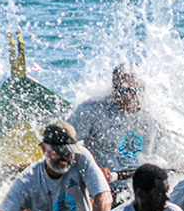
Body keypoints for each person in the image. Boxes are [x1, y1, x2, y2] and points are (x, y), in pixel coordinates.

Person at [0, 122, 112, 211]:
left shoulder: (81, 157)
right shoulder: (27, 180)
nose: (64, 158)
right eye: (59, 152)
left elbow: (105, 199)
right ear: (43, 148)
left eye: (68, 152)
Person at [67, 64, 170, 203]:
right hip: (100, 187)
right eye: (122, 90)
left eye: (133, 91)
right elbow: (63, 146)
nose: (127, 96)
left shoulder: (155, 117)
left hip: (137, 189)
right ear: (113, 88)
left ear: (143, 90)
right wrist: (92, 169)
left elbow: (164, 159)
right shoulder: (91, 110)